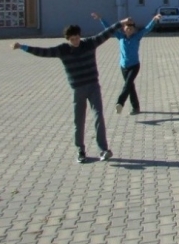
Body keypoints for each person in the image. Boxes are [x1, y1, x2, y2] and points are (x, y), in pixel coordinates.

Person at [11, 18, 131, 163]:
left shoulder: (89, 44)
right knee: (79, 121)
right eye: (72, 39)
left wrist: (120, 23)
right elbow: (43, 52)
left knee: (99, 116)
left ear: (80, 36)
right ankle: (80, 150)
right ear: (67, 39)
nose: (76, 41)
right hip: (78, 89)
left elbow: (105, 34)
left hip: (93, 86)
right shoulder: (63, 50)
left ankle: (104, 149)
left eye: (77, 38)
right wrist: (22, 47)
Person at [91, 12, 161, 115]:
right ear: (124, 29)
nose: (129, 30)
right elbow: (109, 28)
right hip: (123, 66)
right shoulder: (120, 37)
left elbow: (147, 29)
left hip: (134, 66)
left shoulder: (137, 37)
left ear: (134, 30)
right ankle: (136, 108)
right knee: (130, 86)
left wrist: (154, 19)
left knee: (127, 85)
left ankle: (120, 103)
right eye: (127, 29)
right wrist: (101, 18)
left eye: (131, 29)